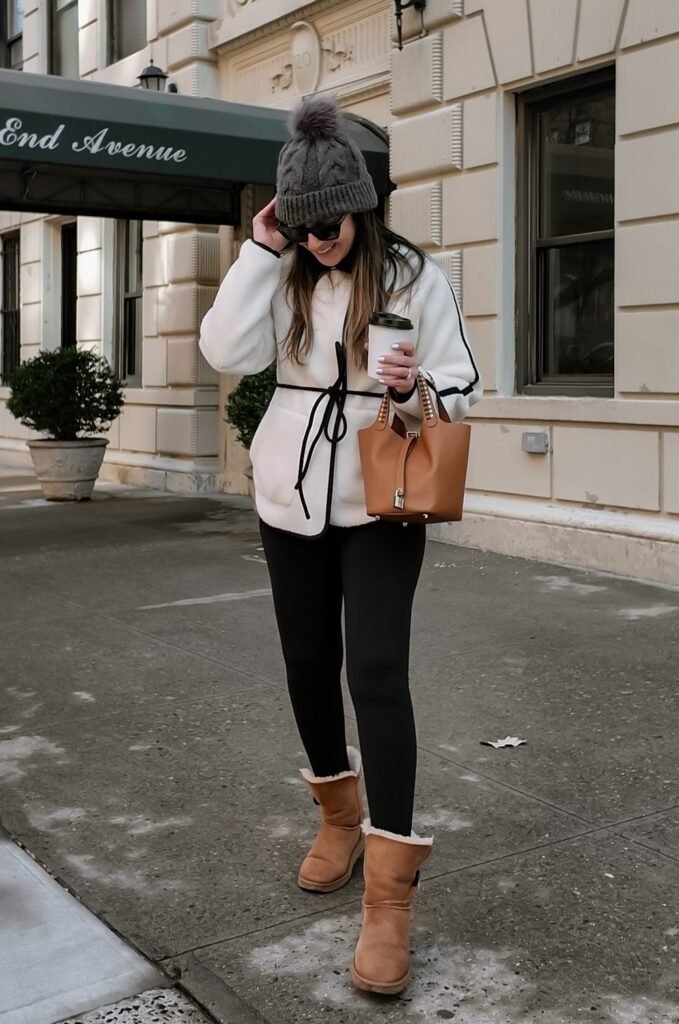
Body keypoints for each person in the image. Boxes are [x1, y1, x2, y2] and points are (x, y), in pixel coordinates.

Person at [199, 94, 481, 996]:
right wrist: (259, 248)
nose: (324, 241)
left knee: (378, 676)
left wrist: (412, 386)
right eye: (308, 226)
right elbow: (221, 349)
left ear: (362, 205)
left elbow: (463, 379)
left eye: (335, 223)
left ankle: (389, 906)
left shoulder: (410, 277)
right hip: (288, 496)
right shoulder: (281, 269)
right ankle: (335, 813)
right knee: (305, 663)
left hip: (383, 495)